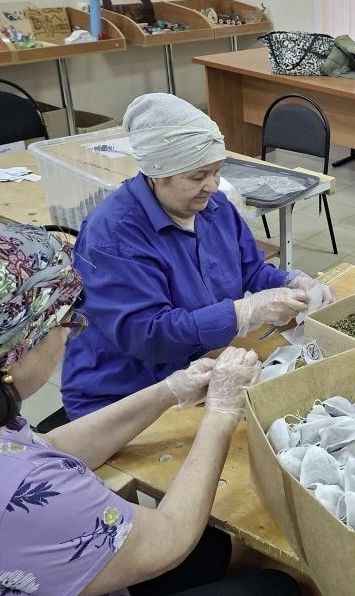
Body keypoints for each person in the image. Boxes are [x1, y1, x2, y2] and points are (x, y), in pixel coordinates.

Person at [0, 223, 300, 595]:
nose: (69, 334)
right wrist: (221, 413)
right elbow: (167, 540)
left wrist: (167, 391)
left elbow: (46, 447)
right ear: (16, 352)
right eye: (64, 323)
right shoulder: (25, 491)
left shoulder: (12, 451)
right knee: (275, 587)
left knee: (212, 543)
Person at [60, 93, 333, 419]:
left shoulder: (213, 208)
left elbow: (250, 271)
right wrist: (242, 311)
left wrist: (290, 281)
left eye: (217, 171)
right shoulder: (113, 236)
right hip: (126, 394)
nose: (212, 185)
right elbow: (149, 335)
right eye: (197, 176)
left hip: (199, 369)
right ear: (158, 173)